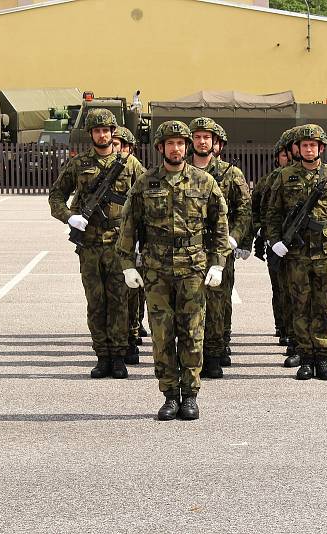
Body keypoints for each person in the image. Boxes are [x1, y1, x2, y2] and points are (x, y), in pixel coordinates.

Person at [116, 120, 230, 421]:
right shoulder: (145, 183)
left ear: (186, 147)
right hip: (157, 271)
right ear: (160, 148)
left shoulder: (205, 183)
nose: (176, 148)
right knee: (162, 335)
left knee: (193, 333)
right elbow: (129, 226)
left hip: (193, 268)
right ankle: (169, 395)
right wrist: (127, 264)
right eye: (170, 144)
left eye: (181, 143)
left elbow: (220, 226)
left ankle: (190, 395)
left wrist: (218, 262)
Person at [48, 109, 140, 379]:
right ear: (91, 134)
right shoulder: (78, 164)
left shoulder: (130, 165)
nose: (102, 134)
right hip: (89, 246)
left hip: (118, 246)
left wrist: (139, 237)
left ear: (114, 133)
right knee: (96, 302)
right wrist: (70, 217)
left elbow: (146, 197)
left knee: (120, 302)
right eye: (97, 131)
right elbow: (56, 196)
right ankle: (102, 356)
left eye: (106, 130)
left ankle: (119, 357)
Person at [266, 124, 327, 380]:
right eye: (304, 145)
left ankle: (323, 356)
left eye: (313, 145)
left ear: (321, 148)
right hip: (296, 253)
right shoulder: (285, 176)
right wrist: (274, 241)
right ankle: (305, 357)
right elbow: (272, 214)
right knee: (300, 305)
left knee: (324, 306)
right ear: (298, 148)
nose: (309, 149)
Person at [187, 117, 251, 378]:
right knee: (190, 304)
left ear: (215, 143)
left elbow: (245, 210)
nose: (202, 141)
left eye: (207, 137)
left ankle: (215, 352)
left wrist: (234, 238)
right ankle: (194, 354)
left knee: (218, 303)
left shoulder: (230, 174)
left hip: (219, 250)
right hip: (188, 251)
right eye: (198, 137)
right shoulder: (180, 171)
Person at [251, 133, 291, 364]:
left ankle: (298, 336)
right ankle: (282, 326)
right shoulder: (269, 181)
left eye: (289, 153)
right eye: (283, 155)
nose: (287, 158)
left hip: (297, 244)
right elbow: (255, 208)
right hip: (274, 241)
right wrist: (259, 230)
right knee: (279, 288)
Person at [112, 126, 148, 364]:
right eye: (113, 143)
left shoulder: (135, 167)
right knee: (121, 292)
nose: (115, 148)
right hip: (112, 236)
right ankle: (124, 336)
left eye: (119, 144)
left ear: (128, 147)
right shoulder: (110, 165)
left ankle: (133, 333)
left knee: (134, 293)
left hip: (131, 235)